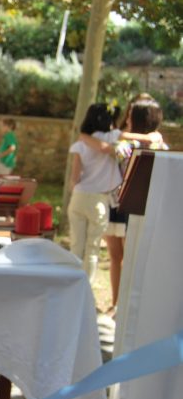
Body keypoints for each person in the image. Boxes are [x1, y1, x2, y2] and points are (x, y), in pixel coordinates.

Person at [79, 94, 167, 317]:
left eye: (130, 116)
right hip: (119, 204)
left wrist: (84, 135)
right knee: (118, 257)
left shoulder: (134, 145)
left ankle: (125, 306)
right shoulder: (154, 142)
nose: (126, 119)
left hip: (132, 207)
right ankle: (118, 304)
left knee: (126, 257)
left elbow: (108, 148)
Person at [67, 103, 122, 285]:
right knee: (92, 249)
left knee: (76, 245)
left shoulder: (81, 143)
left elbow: (75, 177)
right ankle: (86, 287)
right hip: (99, 199)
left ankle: (71, 284)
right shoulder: (114, 139)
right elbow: (125, 148)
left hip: (79, 196)